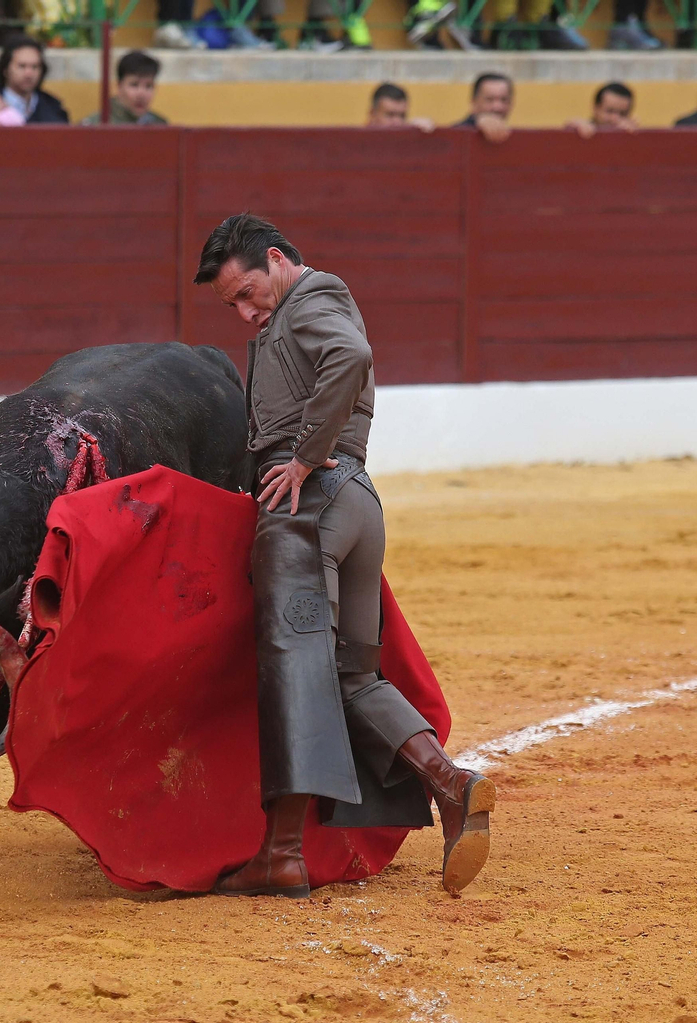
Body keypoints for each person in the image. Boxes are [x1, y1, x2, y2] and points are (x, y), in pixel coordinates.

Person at [191, 213, 495, 899]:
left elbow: (350, 357)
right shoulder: (293, 313)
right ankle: (450, 784)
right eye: (232, 304)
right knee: (351, 675)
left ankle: (282, 855)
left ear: (276, 259)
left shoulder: (311, 298)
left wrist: (301, 458)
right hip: (354, 500)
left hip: (306, 507)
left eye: (247, 293)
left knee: (295, 669)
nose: (245, 313)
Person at [0, 35, 69, 125]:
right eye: (22, 66)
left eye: (35, 67)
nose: (29, 74)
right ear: (5, 69)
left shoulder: (53, 106)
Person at [80, 50, 167, 126]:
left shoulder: (159, 125)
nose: (141, 94)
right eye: (134, 85)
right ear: (119, 86)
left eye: (148, 86)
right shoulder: (96, 125)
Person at [455, 72, 512, 144]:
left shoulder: (514, 139)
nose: (497, 107)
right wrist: (476, 123)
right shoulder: (455, 136)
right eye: (489, 99)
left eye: (504, 100)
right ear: (474, 103)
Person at [566, 80, 638, 136]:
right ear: (595, 109)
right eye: (609, 111)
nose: (615, 119)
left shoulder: (631, 134)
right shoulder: (580, 129)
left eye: (623, 114)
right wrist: (572, 130)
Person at [366, 81, 435, 130]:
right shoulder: (362, 141)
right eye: (390, 115)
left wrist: (420, 133)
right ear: (372, 114)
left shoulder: (407, 137)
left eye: (402, 116)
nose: (397, 122)